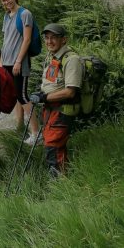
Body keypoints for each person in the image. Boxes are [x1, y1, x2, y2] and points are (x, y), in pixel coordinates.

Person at [29, 23, 84, 176]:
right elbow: (52, 82)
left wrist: (44, 97)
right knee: (53, 144)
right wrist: (41, 92)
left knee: (52, 145)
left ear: (64, 40)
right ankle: (61, 180)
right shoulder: (53, 56)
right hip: (51, 109)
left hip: (63, 109)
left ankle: (58, 183)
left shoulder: (71, 59)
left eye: (54, 38)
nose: (49, 41)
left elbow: (70, 92)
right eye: (47, 38)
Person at [0, 0, 39, 142]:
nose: (7, 2)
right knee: (16, 95)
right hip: (7, 61)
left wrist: (18, 61)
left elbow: (27, 40)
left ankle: (36, 133)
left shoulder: (24, 14)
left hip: (18, 62)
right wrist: (2, 62)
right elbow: (6, 39)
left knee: (22, 96)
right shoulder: (7, 16)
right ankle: (20, 125)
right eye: (4, 0)